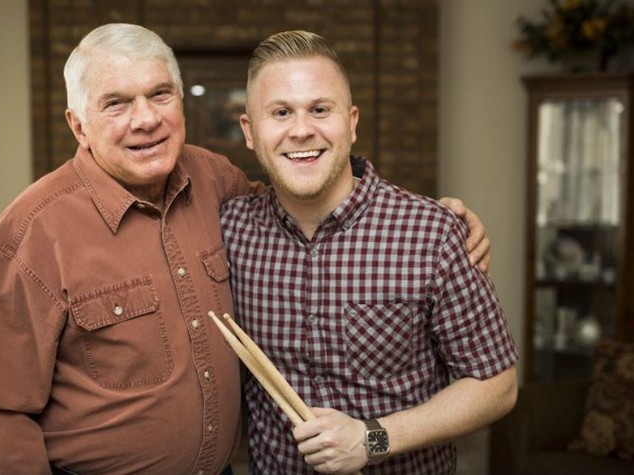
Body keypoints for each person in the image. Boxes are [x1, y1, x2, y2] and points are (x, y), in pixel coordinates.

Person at [0, 23, 492, 475]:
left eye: (159, 94)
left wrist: (429, 222)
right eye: (116, 103)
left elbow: (309, 194)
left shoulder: (217, 183)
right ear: (78, 124)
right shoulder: (21, 239)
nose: (145, 118)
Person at [220, 30, 518, 475]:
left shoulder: (431, 233)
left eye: (320, 109)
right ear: (250, 131)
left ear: (352, 122)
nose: (301, 129)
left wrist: (373, 439)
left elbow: (497, 384)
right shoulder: (228, 231)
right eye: (280, 112)